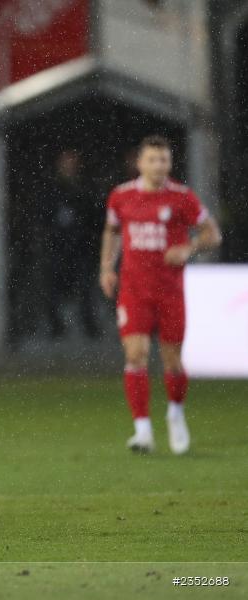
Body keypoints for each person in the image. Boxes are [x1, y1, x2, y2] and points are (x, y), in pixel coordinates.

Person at [99, 136, 221, 454]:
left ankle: (175, 413)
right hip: (134, 291)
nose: (158, 166)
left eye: (164, 160)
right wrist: (106, 267)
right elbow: (111, 231)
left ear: (170, 163)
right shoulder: (121, 196)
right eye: (152, 160)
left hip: (170, 291)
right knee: (135, 354)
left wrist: (189, 248)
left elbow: (213, 233)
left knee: (173, 361)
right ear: (139, 163)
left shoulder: (182, 198)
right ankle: (142, 431)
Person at [41, 149, 101, 338]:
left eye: (72, 161)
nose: (69, 165)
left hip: (81, 248)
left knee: (85, 289)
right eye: (66, 161)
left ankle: (89, 327)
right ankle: (56, 329)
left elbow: (94, 217)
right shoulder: (51, 188)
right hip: (58, 248)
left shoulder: (84, 188)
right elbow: (43, 217)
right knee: (54, 290)